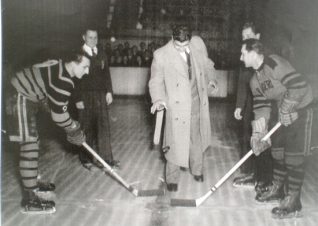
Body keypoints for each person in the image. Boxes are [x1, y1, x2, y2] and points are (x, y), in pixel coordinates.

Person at [7, 50, 90, 214]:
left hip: (23, 95)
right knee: (29, 146)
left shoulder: (57, 63)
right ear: (74, 63)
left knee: (32, 143)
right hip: (19, 96)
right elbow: (59, 117)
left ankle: (32, 184)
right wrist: (74, 129)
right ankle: (30, 199)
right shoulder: (64, 80)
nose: (87, 71)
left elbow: (39, 73)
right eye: (85, 67)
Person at [240, 38, 314, 219]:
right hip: (282, 112)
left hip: (302, 108)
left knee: (294, 157)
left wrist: (288, 108)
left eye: (243, 53)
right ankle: (278, 190)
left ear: (253, 52)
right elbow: (262, 108)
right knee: (278, 152)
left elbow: (299, 85)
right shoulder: (254, 81)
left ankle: (293, 201)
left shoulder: (274, 63)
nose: (241, 58)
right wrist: (259, 134)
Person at [149, 24, 217, 192]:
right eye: (177, 46)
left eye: (184, 45)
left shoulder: (197, 46)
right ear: (172, 38)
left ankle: (197, 170)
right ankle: (172, 179)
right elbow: (155, 81)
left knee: (197, 138)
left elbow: (208, 65)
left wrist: (212, 80)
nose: (181, 49)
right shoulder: (161, 55)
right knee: (174, 142)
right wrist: (158, 99)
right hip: (176, 107)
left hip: (196, 102)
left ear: (189, 40)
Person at [233, 22, 273, 194]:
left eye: (248, 35)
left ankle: (264, 177)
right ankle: (252, 173)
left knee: (262, 138)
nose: (245, 39)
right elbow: (242, 84)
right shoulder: (245, 58)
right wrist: (239, 106)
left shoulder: (263, 58)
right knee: (248, 136)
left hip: (266, 105)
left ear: (257, 37)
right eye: (243, 37)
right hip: (251, 104)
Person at [74, 27, 119, 171]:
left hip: (100, 95)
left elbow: (106, 74)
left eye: (95, 37)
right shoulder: (78, 54)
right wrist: (78, 98)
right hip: (84, 96)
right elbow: (74, 79)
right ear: (83, 37)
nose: (93, 40)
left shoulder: (102, 53)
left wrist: (109, 92)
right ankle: (86, 159)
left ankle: (106, 160)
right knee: (87, 128)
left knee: (104, 127)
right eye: (90, 37)